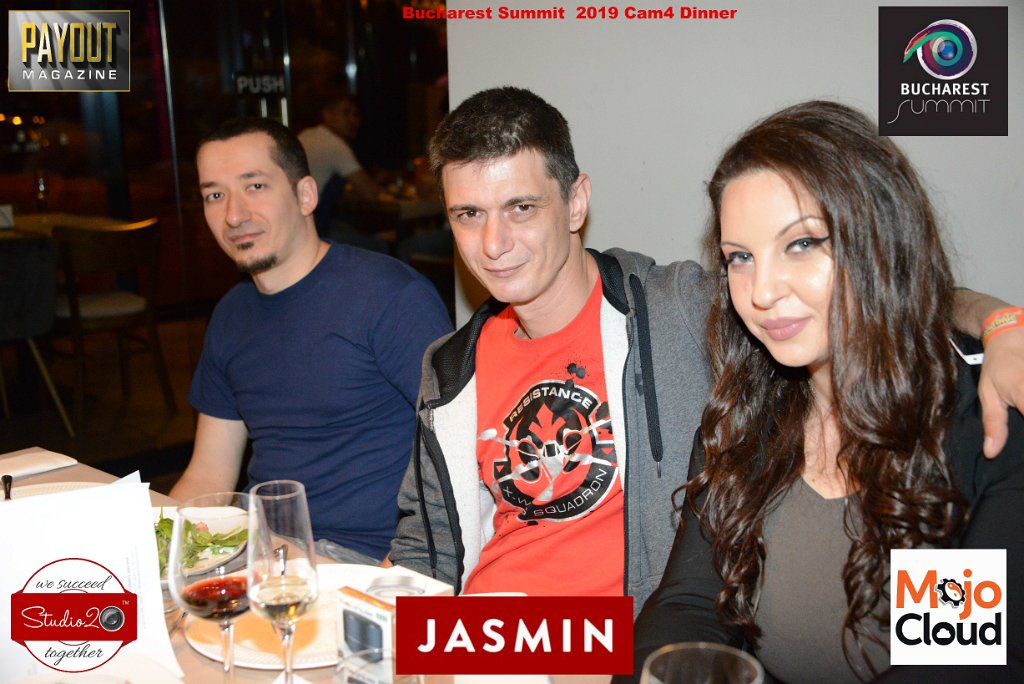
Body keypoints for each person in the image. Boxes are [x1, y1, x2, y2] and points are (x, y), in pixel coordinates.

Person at [386, 87, 1024, 611]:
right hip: (479, 638)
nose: (494, 243)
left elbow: (880, 288)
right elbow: (425, 551)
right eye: (468, 214)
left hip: (601, 646)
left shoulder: (681, 309)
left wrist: (1002, 324)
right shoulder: (449, 366)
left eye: (521, 207)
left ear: (576, 202)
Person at [626, 101, 1023, 682]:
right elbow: (690, 603)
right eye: (741, 257)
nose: (762, 291)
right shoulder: (748, 417)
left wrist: (1003, 321)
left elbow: (953, 661)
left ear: (878, 240)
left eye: (803, 244)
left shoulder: (974, 424)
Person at [170, 117, 452, 563]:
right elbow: (208, 475)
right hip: (264, 550)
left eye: (255, 186)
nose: (234, 215)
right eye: (215, 195)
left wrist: (393, 579)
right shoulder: (231, 315)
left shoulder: (390, 297)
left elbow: (461, 454)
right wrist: (157, 547)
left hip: (365, 558)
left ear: (305, 195)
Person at [298, 90, 383, 237]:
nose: (353, 120)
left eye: (356, 114)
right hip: (313, 229)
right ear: (327, 115)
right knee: (377, 245)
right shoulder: (335, 145)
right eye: (346, 113)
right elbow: (371, 194)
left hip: (296, 222)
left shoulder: (306, 135)